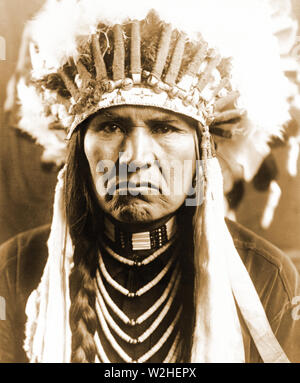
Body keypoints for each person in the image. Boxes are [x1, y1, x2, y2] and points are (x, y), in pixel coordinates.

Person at [0, 0, 300, 363]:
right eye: (111, 126)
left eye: (164, 127)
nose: (134, 158)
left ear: (202, 151)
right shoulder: (16, 267)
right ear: (80, 149)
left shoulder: (267, 275)